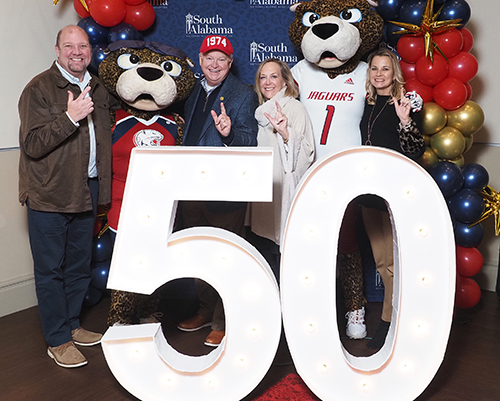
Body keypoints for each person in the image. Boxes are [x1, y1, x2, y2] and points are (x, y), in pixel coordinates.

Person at [18, 25, 112, 368]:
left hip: (85, 191)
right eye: (69, 46)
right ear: (57, 51)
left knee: (78, 266)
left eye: (83, 45)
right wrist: (70, 119)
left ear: (90, 50)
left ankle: (72, 325)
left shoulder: (98, 88)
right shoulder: (39, 89)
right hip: (48, 194)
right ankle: (57, 339)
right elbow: (32, 144)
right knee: (50, 271)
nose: (77, 51)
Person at [176, 35, 259, 347]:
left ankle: (223, 319)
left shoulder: (243, 94)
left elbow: (249, 141)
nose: (214, 64)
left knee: (226, 257)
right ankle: (205, 309)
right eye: (209, 58)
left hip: (225, 191)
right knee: (200, 255)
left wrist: (229, 134)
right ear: (200, 60)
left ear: (230, 63)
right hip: (192, 188)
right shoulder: (193, 91)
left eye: (221, 59)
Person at [360, 48, 425, 350]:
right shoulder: (367, 104)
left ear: (394, 72)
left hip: (393, 194)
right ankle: (394, 319)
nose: (379, 74)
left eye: (385, 69)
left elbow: (415, 151)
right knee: (382, 260)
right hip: (368, 194)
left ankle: (390, 324)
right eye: (375, 68)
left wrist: (405, 121)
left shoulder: (406, 103)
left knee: (391, 265)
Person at [248, 58, 315, 278]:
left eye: (273, 76)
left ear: (285, 81)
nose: (267, 82)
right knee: (263, 254)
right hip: (263, 192)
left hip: (284, 192)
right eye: (263, 77)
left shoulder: (295, 108)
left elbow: (308, 153)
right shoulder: (260, 112)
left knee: (285, 256)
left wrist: (286, 134)